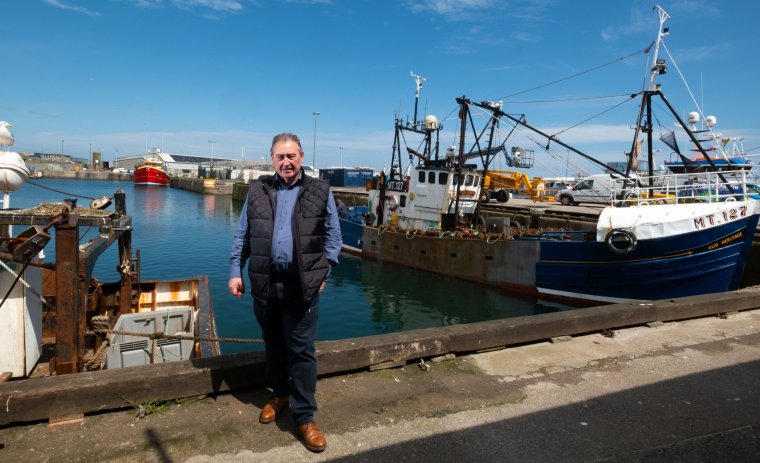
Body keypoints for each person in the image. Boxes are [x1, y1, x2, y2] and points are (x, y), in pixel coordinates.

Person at [228, 132, 341, 453]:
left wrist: (325, 271)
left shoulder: (319, 190)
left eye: (291, 156)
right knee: (274, 344)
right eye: (280, 156)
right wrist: (235, 271)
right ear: (272, 159)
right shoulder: (258, 190)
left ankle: (305, 417)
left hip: (302, 285)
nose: (286, 162)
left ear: (301, 157)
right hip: (265, 282)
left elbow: (333, 235)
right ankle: (279, 394)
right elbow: (242, 235)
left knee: (302, 350)